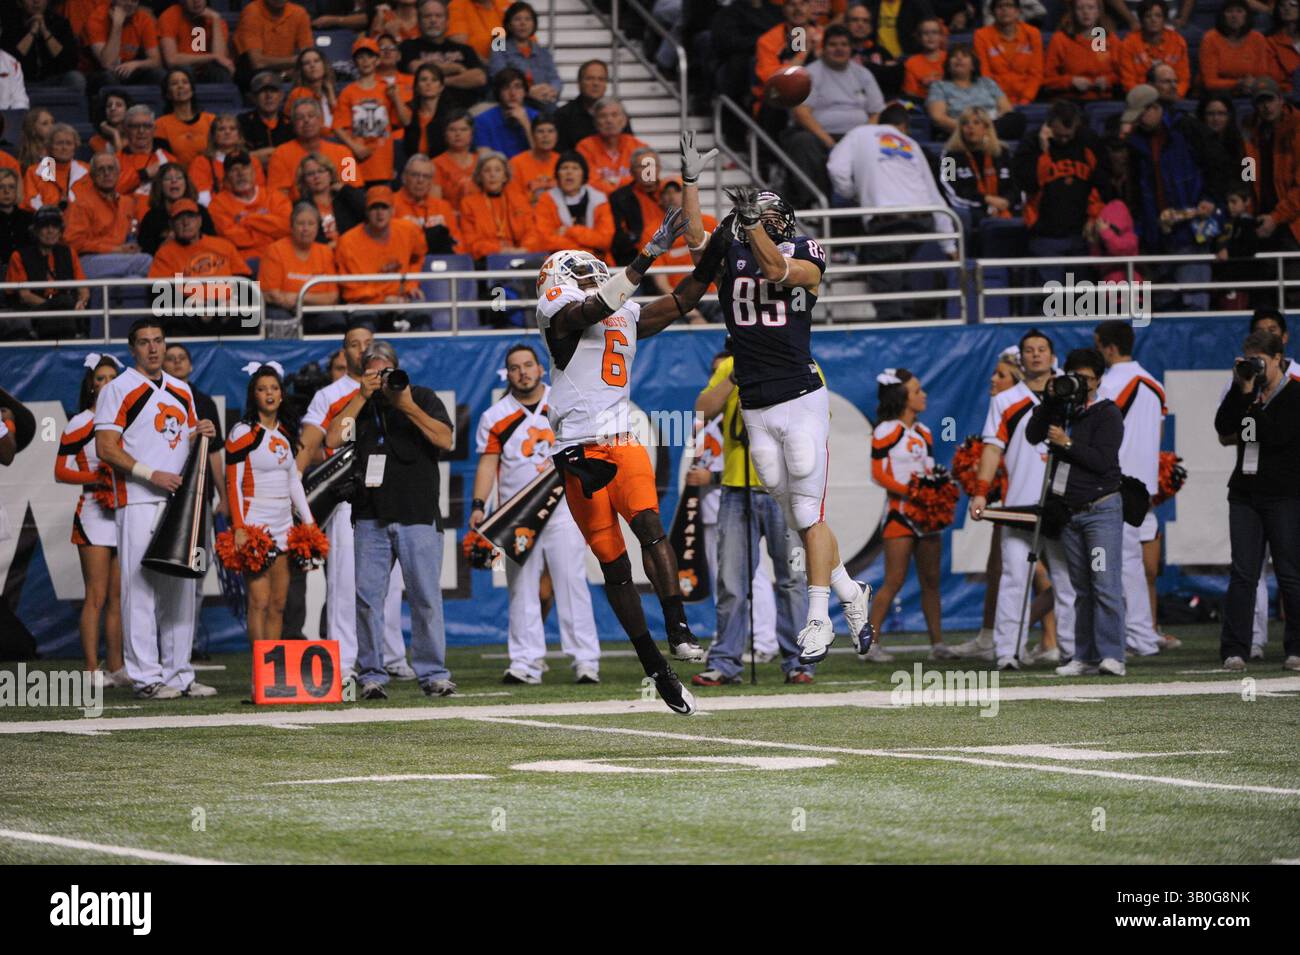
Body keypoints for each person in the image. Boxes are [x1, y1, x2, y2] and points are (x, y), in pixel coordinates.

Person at [533, 140, 738, 714]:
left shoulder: (618, 307)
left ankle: (677, 626)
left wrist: (720, 241)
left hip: (622, 439)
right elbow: (592, 310)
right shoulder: (564, 320)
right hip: (578, 451)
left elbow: (682, 300)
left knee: (650, 526)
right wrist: (647, 254)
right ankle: (655, 665)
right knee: (613, 565)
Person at [683, 175, 875, 665]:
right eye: (753, 220)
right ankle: (850, 589)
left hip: (799, 394)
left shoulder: (805, 247)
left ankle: (819, 616)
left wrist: (753, 228)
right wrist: (689, 184)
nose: (755, 228)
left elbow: (775, 269)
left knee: (808, 513)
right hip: (755, 402)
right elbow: (693, 243)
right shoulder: (733, 245)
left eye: (765, 221)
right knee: (794, 513)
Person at [93, 320, 218, 699]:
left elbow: (178, 439)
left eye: (158, 341)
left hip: (178, 501)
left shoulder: (182, 390)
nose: (153, 348)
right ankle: (147, 677)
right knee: (140, 590)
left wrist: (201, 432)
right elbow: (106, 447)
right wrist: (151, 474)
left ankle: (180, 673)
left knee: (181, 587)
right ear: (132, 349)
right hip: (139, 499)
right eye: (145, 342)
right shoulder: (118, 389)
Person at [324, 341, 457, 699]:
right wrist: (361, 396)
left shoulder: (423, 397)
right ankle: (371, 675)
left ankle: (433, 673)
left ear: (398, 370)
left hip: (418, 513)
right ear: (363, 374)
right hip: (370, 515)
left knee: (426, 597)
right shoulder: (360, 406)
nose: (382, 380)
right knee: (368, 599)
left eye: (386, 372)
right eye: (373, 373)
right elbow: (333, 437)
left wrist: (407, 404)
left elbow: (446, 440)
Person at [469, 344, 601, 684]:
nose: (523, 372)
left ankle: (585, 661)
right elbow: (488, 463)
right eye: (515, 367)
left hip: (563, 510)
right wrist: (479, 506)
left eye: (528, 365)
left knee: (572, 584)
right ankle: (525, 663)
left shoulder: (563, 403)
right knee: (522, 589)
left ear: (541, 368)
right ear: (507, 374)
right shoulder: (494, 417)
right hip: (517, 516)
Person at [690, 346, 813, 686]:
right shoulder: (731, 364)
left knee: (791, 580)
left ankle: (798, 662)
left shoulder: (801, 362)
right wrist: (732, 378)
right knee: (731, 580)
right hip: (735, 486)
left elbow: (817, 424)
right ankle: (725, 662)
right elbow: (700, 413)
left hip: (783, 489)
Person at [297, 324, 412, 680]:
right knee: (346, 582)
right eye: (354, 344)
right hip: (347, 494)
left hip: (391, 493)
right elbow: (312, 443)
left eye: (368, 343)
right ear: (344, 352)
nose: (362, 349)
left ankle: (390, 654)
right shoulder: (331, 394)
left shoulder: (396, 388)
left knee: (392, 585)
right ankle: (344, 660)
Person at [967, 328, 1078, 669]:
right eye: (1029, 350)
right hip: (1019, 503)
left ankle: (1074, 650)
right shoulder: (1004, 400)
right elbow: (992, 448)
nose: (1035, 355)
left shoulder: (1072, 393)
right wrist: (981, 492)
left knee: (1067, 578)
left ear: (1052, 355)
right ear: (1022, 358)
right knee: (1014, 577)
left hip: (1063, 502)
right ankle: (1007, 652)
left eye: (1041, 349)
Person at [1025, 348, 1127, 676]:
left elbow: (1102, 461)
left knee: (1105, 583)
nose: (1079, 384)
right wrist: (1050, 401)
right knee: (1080, 587)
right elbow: (1031, 436)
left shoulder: (1107, 413)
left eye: (1085, 379)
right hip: (1070, 512)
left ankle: (1113, 655)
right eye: (1074, 377)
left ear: (1098, 380)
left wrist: (1067, 443)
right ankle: (1083, 655)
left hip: (1100, 510)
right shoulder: (1063, 409)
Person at [1215, 328, 1300, 672]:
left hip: (1284, 495)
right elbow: (1223, 427)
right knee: (1243, 573)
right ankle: (1235, 648)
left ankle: (1296, 648)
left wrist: (1253, 404)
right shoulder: (1243, 389)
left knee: (1290, 574)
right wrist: (1244, 391)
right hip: (1245, 494)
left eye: (1261, 362)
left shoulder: (1295, 394)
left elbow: (1278, 437)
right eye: (1251, 361)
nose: (1256, 368)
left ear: (1278, 359)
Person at [827, 102, 959, 320]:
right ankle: (910, 330)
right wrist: (949, 244)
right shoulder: (910, 143)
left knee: (887, 285)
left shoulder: (859, 133)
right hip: (923, 220)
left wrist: (854, 194)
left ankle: (895, 339)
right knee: (905, 277)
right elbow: (934, 193)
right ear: (904, 126)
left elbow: (835, 168)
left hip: (888, 221)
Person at [226, 364, 315, 643]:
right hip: (256, 522)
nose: (269, 394)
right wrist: (239, 527)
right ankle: (258, 674)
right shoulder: (242, 432)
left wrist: (309, 524)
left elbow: (293, 483)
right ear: (254, 395)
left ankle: (272, 672)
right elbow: (233, 483)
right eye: (262, 389)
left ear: (281, 394)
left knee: (279, 603)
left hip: (284, 523)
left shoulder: (286, 433)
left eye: (274, 388)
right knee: (259, 602)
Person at [867, 368, 952, 660]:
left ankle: (938, 644)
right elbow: (877, 473)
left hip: (927, 517)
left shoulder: (925, 432)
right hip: (899, 515)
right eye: (917, 391)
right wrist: (912, 492)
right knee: (894, 580)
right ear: (902, 397)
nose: (923, 395)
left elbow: (927, 470)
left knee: (931, 581)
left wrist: (937, 489)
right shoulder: (886, 431)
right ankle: (870, 645)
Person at [1121, 83, 1229, 311]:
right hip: (1157, 234)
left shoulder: (1188, 129)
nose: (1139, 121)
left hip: (1191, 229)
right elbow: (1135, 188)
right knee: (1163, 305)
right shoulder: (1136, 142)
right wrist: (1142, 227)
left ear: (1155, 107)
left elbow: (1219, 164)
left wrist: (1210, 198)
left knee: (1194, 302)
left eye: (1141, 115)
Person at [55, 354, 130, 686]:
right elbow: (60, 470)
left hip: (124, 511)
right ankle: (90, 668)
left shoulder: (126, 420)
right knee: (96, 595)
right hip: (93, 512)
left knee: (119, 597)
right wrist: (95, 477)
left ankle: (117, 666)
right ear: (91, 384)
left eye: (112, 377)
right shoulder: (80, 422)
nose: (106, 384)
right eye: (100, 378)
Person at [1094, 319, 1167, 656]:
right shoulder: (1154, 384)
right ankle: (1142, 633)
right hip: (1145, 488)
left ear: (1109, 348)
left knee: (1120, 567)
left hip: (1114, 484)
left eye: (1099, 346)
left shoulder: (1107, 386)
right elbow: (1158, 437)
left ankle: (1138, 636)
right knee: (1135, 566)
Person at [780, 23, 885, 210]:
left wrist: (864, 137)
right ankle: (813, 203)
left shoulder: (863, 73)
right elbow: (802, 113)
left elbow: (876, 112)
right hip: (821, 136)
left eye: (844, 44)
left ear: (851, 48)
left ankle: (881, 207)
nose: (839, 49)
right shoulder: (810, 73)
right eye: (833, 44)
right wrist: (830, 143)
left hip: (857, 137)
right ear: (823, 48)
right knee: (801, 142)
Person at [1012, 99, 1106, 289]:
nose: (1063, 140)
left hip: (1080, 234)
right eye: (1059, 135)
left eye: (1068, 136)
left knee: (1080, 302)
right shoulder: (1031, 144)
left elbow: (1101, 184)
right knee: (1050, 303)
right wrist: (1043, 150)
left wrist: (1095, 216)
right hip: (1045, 234)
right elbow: (1028, 184)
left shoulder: (1089, 141)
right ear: (1049, 125)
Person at [335, 185, 429, 329]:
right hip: (365, 304)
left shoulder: (409, 231)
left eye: (384, 207)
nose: (380, 213)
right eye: (374, 208)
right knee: (364, 327)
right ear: (366, 212)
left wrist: (411, 285)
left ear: (392, 211)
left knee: (421, 316)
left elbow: (418, 257)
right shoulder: (348, 242)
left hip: (400, 300)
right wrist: (383, 299)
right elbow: (351, 290)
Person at [1243, 78, 1300, 304]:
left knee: (1294, 292)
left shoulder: (1297, 129)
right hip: (1262, 220)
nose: (1266, 107)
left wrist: (1276, 218)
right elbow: (1247, 171)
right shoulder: (1251, 132)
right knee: (1264, 292)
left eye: (1270, 100)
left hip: (1292, 224)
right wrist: (1246, 207)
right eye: (1260, 102)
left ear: (1281, 100)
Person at [63, 152, 152, 287]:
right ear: (92, 176)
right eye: (101, 169)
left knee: (134, 280)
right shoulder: (81, 203)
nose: (106, 173)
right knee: (145, 261)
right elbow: (73, 243)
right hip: (87, 262)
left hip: (120, 260)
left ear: (118, 173)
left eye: (111, 168)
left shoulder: (128, 202)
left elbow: (131, 234)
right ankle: (179, 302)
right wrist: (114, 249)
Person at [334, 36, 410, 187]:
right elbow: (338, 127)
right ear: (355, 62)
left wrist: (396, 98)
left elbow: (406, 121)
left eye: (369, 56)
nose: (365, 61)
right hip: (354, 159)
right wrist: (355, 147)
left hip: (382, 161)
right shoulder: (348, 92)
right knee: (352, 197)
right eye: (360, 57)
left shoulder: (387, 89)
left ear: (377, 60)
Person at [6, 205, 89, 338]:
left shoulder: (69, 252)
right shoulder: (20, 255)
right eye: (45, 226)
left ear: (60, 231)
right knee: (64, 305)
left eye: (55, 226)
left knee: (68, 306)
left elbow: (83, 288)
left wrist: (82, 301)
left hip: (66, 310)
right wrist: (53, 307)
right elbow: (25, 296)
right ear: (36, 231)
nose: (50, 231)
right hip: (36, 310)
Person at [260, 201, 341, 331]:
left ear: (317, 228)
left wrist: (298, 297)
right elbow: (271, 294)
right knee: (279, 318)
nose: (306, 229)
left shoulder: (325, 252)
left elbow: (332, 297)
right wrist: (313, 299)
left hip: (315, 311)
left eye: (311, 224)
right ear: (291, 227)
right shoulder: (275, 250)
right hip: (283, 310)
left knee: (336, 319)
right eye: (300, 223)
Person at [398, 0, 488, 114]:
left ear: (447, 22)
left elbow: (479, 78)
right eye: (427, 16)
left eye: (438, 16)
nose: (433, 20)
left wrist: (441, 81)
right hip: (423, 112)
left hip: (465, 112)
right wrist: (455, 68)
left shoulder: (464, 49)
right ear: (419, 22)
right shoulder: (408, 46)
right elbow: (416, 68)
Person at [939, 107, 1019, 233]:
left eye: (976, 123)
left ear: (986, 128)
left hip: (1005, 208)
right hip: (972, 210)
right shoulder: (949, 155)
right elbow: (951, 191)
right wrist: (987, 201)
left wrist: (1007, 202)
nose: (970, 127)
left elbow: (1016, 184)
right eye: (965, 123)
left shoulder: (1003, 152)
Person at [207, 151, 293, 267]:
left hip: (279, 257)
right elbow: (234, 238)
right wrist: (269, 230)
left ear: (253, 172)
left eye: (244, 168)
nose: (240, 173)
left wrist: (247, 219)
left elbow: (286, 227)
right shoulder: (218, 204)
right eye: (234, 170)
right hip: (243, 264)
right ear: (226, 178)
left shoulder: (274, 196)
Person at [926, 42, 1022, 141]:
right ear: (948, 66)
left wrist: (982, 129)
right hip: (961, 130)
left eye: (965, 56)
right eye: (954, 57)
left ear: (973, 65)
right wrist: (970, 129)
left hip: (992, 124)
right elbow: (938, 117)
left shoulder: (987, 82)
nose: (959, 59)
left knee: (1017, 118)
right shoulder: (939, 86)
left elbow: (1006, 109)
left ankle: (984, 137)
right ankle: (982, 137)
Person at [527, 151, 613, 259]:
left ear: (583, 174)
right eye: (564, 168)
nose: (569, 172)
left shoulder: (599, 200)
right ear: (557, 174)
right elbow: (545, 240)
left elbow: (605, 240)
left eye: (575, 168)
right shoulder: (546, 199)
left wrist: (570, 231)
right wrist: (586, 251)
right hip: (559, 263)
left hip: (598, 263)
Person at [268, 99, 356, 199]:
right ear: (293, 124)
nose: (306, 120)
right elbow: (278, 198)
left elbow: (355, 191)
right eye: (300, 118)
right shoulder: (280, 154)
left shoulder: (344, 153)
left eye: (311, 116)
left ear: (320, 120)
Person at [459, 152, 534, 258]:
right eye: (487, 170)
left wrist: (524, 248)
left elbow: (531, 232)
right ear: (480, 176)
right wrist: (499, 250)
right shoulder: (468, 203)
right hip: (486, 259)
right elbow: (471, 241)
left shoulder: (519, 200)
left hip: (520, 254)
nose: (492, 175)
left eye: (498, 170)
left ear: (505, 176)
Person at [1198, 0, 1280, 96]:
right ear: (1222, 16)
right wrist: (1238, 83)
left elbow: (1262, 76)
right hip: (1216, 94)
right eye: (1229, 11)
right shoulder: (1210, 38)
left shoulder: (1257, 38)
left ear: (1247, 16)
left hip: (1251, 91)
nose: (1234, 15)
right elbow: (1210, 82)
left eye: (1239, 11)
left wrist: (1251, 84)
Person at [487, 2, 562, 106]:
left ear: (534, 24)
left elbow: (555, 79)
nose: (523, 23)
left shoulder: (543, 52)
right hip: (510, 103)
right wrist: (528, 92)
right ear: (509, 24)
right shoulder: (498, 46)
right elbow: (499, 77)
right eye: (517, 19)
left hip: (543, 101)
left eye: (528, 19)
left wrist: (552, 90)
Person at [1042, 0, 1119, 100]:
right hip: (1068, 100)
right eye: (1080, 8)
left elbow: (1123, 74)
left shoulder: (1111, 40)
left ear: (1098, 12)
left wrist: (1108, 80)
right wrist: (1070, 82)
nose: (1085, 12)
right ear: (1073, 12)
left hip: (1103, 99)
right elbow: (1047, 79)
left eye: (1091, 8)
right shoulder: (1060, 39)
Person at [136, 162, 216, 256]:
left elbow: (212, 243)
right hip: (168, 266)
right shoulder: (151, 218)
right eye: (168, 179)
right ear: (160, 185)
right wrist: (166, 246)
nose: (174, 181)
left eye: (179, 177)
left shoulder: (200, 211)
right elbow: (146, 254)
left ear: (186, 183)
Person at [83, 0, 165, 91]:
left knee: (159, 75)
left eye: (134, 1)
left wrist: (136, 64)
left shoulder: (143, 18)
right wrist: (117, 25)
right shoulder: (97, 18)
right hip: (101, 72)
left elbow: (156, 61)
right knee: (108, 77)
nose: (130, 4)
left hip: (130, 69)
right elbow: (107, 63)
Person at [233, 0, 314, 91]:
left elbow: (307, 57)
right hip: (254, 76)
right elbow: (257, 62)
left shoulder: (299, 13)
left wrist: (291, 69)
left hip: (287, 73)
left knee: (316, 71)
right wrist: (295, 60)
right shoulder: (252, 12)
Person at [973, 0, 1043, 106]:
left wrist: (1025, 99)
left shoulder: (1033, 33)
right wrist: (1000, 101)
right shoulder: (981, 35)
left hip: (1027, 100)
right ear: (993, 12)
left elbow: (1036, 73)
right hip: (995, 101)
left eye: (1009, 5)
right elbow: (985, 74)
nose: (1004, 9)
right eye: (999, 6)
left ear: (1017, 11)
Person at [4, 0, 83, 92]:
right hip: (22, 82)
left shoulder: (60, 23)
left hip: (53, 81)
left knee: (76, 78)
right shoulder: (10, 25)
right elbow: (9, 62)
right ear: (20, 2)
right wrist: (32, 32)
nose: (36, 1)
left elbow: (69, 62)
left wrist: (44, 31)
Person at [190, 114, 268, 206]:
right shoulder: (201, 162)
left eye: (232, 129)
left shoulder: (252, 161)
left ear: (239, 135)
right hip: (217, 212)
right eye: (221, 129)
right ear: (213, 136)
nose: (227, 132)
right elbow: (202, 198)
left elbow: (260, 191)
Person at [554, 59, 632, 152]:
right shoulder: (563, 116)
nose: (596, 83)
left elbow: (630, 147)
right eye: (589, 78)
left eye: (601, 79)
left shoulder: (618, 113)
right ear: (579, 83)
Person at [576, 99, 647, 195]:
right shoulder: (584, 147)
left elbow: (649, 179)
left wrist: (613, 182)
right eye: (602, 116)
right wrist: (627, 182)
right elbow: (589, 183)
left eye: (614, 115)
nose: (609, 120)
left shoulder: (640, 147)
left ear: (624, 120)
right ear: (595, 122)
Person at [1118, 0, 1189, 96]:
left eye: (1158, 16)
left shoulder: (1177, 42)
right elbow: (1128, 81)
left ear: (1164, 19)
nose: (1153, 20)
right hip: (1141, 99)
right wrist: (1145, 98)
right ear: (1141, 20)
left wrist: (1177, 94)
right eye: (1148, 16)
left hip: (1171, 97)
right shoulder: (1129, 43)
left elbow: (1184, 79)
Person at [393, 153, 461, 254]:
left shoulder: (443, 207)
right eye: (415, 175)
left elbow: (458, 243)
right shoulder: (391, 203)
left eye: (426, 176)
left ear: (431, 182)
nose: (420, 180)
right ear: (404, 177)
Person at [296, 152, 366, 248]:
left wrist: (344, 189)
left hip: (353, 250)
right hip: (321, 255)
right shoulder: (301, 206)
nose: (316, 176)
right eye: (310, 174)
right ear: (304, 180)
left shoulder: (345, 198)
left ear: (330, 174)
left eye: (321, 171)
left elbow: (366, 210)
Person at [114, 106, 178, 209]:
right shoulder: (114, 160)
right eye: (135, 126)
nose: (141, 131)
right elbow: (112, 189)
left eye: (147, 126)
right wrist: (144, 174)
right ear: (125, 129)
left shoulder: (168, 159)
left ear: (154, 129)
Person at [158, 0, 234, 83]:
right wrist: (212, 57)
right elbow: (171, 60)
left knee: (220, 72)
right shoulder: (169, 16)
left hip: (206, 71)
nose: (197, 1)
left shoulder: (214, 18)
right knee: (185, 69)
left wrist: (215, 21)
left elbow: (221, 58)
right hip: (181, 72)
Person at [154, 68, 216, 170]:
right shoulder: (160, 124)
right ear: (168, 93)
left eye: (185, 82)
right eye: (174, 83)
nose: (180, 86)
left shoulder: (211, 120)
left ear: (192, 90)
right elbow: (163, 161)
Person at [472, 68, 538, 158]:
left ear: (525, 92)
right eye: (506, 88)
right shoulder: (482, 120)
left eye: (518, 87)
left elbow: (541, 158)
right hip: (499, 170)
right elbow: (485, 159)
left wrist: (526, 124)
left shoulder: (536, 117)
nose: (513, 93)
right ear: (498, 92)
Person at [21, 124, 87, 212]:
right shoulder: (34, 172)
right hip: (45, 222)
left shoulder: (87, 171)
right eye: (59, 143)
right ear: (49, 146)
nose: (64, 148)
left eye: (69, 143)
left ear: (75, 147)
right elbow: (30, 203)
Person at [239, 72, 293, 167]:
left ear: (281, 96)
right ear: (253, 97)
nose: (269, 96)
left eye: (273, 91)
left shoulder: (291, 123)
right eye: (262, 91)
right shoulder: (242, 122)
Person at [403, 63, 455, 160]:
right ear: (417, 86)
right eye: (423, 80)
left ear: (441, 87)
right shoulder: (408, 111)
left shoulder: (450, 115)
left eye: (434, 80)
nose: (428, 83)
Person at [507, 114, 559, 207]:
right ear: (532, 135)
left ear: (557, 136)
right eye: (540, 131)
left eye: (550, 131)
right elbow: (514, 199)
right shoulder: (516, 163)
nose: (545, 136)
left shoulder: (562, 162)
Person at [432, 110, 478, 212]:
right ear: (445, 134)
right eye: (452, 130)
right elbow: (435, 204)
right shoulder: (436, 164)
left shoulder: (482, 163)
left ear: (472, 134)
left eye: (463, 129)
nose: (458, 134)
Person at [285, 47, 339, 130]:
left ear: (324, 65)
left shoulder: (329, 92)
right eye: (307, 63)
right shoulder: (298, 94)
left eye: (316, 61)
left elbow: (341, 123)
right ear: (301, 70)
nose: (312, 65)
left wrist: (331, 96)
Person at [446, 0, 512, 61]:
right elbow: (460, 46)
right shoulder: (458, 5)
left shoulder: (503, 3)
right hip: (477, 65)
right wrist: (487, 64)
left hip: (508, 60)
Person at [0, 169, 35, 279]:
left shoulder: (29, 218)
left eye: (11, 187)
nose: (6, 191)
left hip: (27, 271)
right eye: (1, 187)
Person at [901, 17, 946, 99]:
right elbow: (911, 94)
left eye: (934, 32)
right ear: (919, 38)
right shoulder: (911, 63)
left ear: (941, 37)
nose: (930, 37)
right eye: (926, 33)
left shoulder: (950, 58)